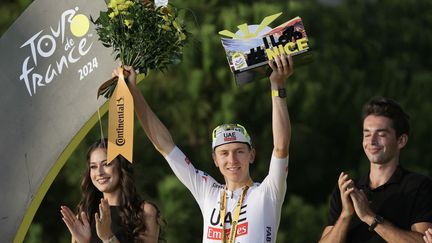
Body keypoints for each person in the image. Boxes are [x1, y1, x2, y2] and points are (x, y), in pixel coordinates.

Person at [115, 53, 293, 242]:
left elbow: (281, 147)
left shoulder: (267, 192)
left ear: (251, 155)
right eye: (224, 153)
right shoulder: (209, 191)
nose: (232, 160)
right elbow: (165, 146)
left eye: (239, 151)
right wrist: (133, 90)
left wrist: (277, 87)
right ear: (215, 160)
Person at [319, 97, 432, 243]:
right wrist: (346, 214)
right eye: (367, 134)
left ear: (401, 140)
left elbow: (423, 241)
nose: (371, 141)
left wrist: (369, 217)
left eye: (381, 134)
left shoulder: (420, 187)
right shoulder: (347, 190)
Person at [60, 139, 161, 243]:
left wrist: (108, 238)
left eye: (106, 164)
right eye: (93, 167)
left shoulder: (145, 212)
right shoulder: (85, 216)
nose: (99, 172)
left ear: (120, 166)